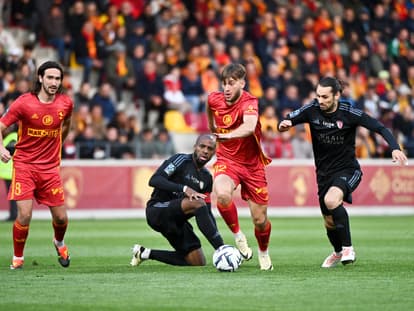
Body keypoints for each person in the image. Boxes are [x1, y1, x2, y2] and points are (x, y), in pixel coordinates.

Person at [278, 76, 408, 268]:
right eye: (318, 96)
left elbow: (380, 127)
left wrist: (395, 147)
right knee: (329, 223)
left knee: (331, 200)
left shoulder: (349, 113)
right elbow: (289, 119)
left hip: (348, 170)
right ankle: (338, 251)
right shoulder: (312, 109)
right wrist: (285, 124)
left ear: (337, 95)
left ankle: (348, 248)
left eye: (325, 97)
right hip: (323, 174)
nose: (320, 101)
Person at [0, 61, 74, 270]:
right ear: (40, 78)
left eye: (57, 78)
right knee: (24, 214)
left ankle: (59, 242)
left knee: (61, 218)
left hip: (50, 168)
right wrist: (2, 149)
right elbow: (1, 126)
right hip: (24, 165)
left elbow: (66, 125)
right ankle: (18, 257)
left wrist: (58, 144)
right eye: (50, 77)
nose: (54, 82)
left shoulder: (65, 103)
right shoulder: (24, 103)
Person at [206, 63, 273, 271]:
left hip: (253, 166)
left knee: (260, 220)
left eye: (232, 83)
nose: (226, 88)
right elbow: (210, 115)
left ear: (242, 84)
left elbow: (250, 126)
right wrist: (213, 130)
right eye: (224, 83)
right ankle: (238, 236)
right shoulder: (213, 99)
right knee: (222, 194)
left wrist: (227, 135)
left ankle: (263, 253)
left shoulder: (249, 101)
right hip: (227, 161)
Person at [130, 134, 224, 266]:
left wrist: (219, 241)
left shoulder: (207, 178)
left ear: (214, 152)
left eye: (210, 148)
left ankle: (144, 253)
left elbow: (207, 211)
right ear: (195, 147)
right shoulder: (181, 160)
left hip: (177, 222)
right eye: (202, 146)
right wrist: (184, 188)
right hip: (157, 211)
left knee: (197, 262)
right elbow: (155, 180)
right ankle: (223, 251)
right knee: (197, 203)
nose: (205, 151)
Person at [0, 124, 17, 221]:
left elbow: (11, 150)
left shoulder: (13, 137)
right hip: (7, 173)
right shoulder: (7, 138)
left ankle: (14, 215)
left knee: (13, 196)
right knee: (11, 196)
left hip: (11, 172)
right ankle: (13, 214)